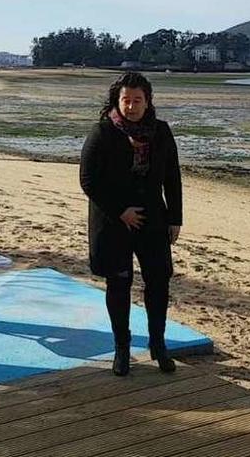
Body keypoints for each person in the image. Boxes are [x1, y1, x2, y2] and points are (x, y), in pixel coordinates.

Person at [80, 72, 183, 376]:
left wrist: (175, 217)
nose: (131, 105)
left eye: (138, 100)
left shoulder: (161, 132)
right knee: (119, 283)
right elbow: (88, 180)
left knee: (158, 281)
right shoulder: (102, 132)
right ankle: (122, 349)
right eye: (126, 100)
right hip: (113, 221)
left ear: (148, 102)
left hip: (153, 219)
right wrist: (120, 211)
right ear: (117, 100)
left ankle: (158, 346)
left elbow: (172, 178)